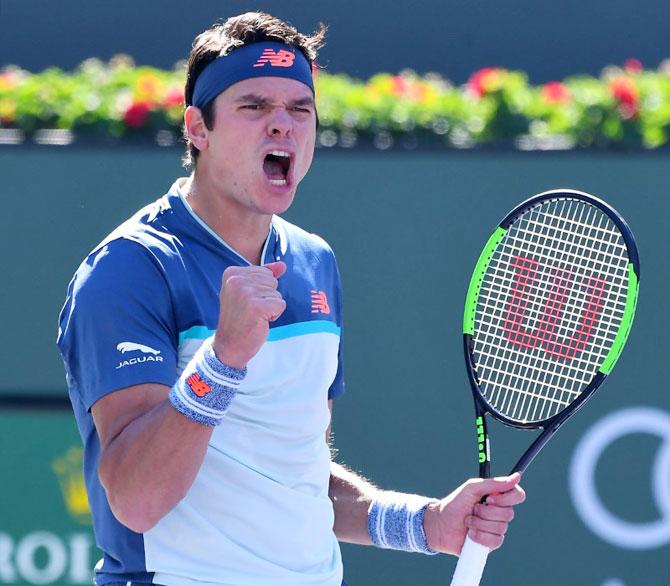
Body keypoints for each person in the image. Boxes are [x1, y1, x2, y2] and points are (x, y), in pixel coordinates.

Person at [57, 12, 525, 586]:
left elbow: (297, 476)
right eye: (254, 106)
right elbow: (136, 498)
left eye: (299, 108)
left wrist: (426, 526)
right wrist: (224, 360)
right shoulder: (132, 268)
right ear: (198, 129)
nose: (283, 125)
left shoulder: (314, 262)